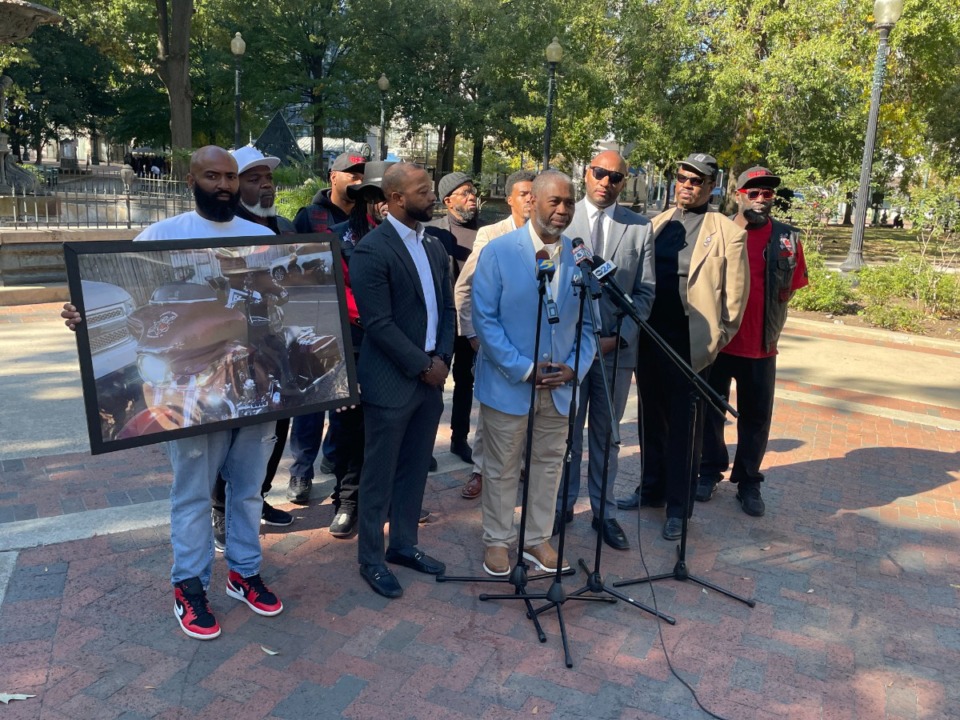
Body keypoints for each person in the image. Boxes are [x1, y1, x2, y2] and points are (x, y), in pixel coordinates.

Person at [62, 146, 283, 640]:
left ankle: (244, 572)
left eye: (230, 176)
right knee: (191, 492)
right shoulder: (161, 235)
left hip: (247, 370)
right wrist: (78, 316)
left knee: (248, 489)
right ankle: (189, 584)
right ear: (191, 179)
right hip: (188, 381)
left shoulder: (262, 236)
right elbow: (124, 293)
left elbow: (273, 297)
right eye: (212, 175)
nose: (223, 185)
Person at [615, 153, 749, 542]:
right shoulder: (654, 225)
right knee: (650, 419)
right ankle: (651, 488)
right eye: (682, 179)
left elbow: (735, 302)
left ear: (711, 187)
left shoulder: (727, 232)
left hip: (692, 345)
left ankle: (678, 507)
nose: (686, 186)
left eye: (696, 181)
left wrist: (713, 343)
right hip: (650, 338)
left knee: (685, 428)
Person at [472, 170, 596, 577]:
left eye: (568, 203)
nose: (562, 211)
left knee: (548, 464)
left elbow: (590, 326)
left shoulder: (580, 258)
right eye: (554, 202)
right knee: (502, 466)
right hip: (511, 385)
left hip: (559, 389)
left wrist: (574, 368)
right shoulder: (499, 252)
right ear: (533, 202)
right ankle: (497, 539)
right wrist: (524, 369)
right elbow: (485, 320)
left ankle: (536, 538)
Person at [348, 163, 455, 599]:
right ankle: (371, 558)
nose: (432, 197)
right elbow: (378, 323)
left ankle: (404, 545)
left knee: (414, 471)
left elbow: (447, 309)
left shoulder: (432, 245)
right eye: (423, 190)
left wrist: (443, 358)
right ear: (395, 199)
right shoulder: (372, 249)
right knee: (379, 475)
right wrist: (422, 364)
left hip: (430, 381)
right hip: (392, 383)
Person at [553, 151, 655, 551]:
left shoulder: (640, 228)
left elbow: (646, 293)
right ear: (586, 172)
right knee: (565, 432)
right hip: (566, 351)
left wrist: (621, 337)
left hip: (615, 350)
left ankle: (604, 512)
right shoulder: (562, 218)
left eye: (615, 177)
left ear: (623, 182)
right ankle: (561, 505)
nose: (606, 181)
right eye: (599, 172)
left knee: (607, 436)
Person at [696, 167, 808, 516]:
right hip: (717, 342)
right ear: (738, 195)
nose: (761, 199)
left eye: (768, 194)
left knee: (756, 419)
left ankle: (748, 481)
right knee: (709, 413)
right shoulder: (716, 231)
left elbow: (791, 287)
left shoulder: (787, 239)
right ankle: (710, 470)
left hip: (761, 346)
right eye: (754, 192)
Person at [209, 145, 298, 552]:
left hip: (273, 347)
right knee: (227, 428)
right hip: (228, 351)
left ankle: (257, 496)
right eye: (254, 178)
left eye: (269, 178)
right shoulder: (217, 230)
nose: (265, 185)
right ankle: (220, 509)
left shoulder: (277, 229)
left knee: (275, 428)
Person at [287, 152, 365, 503]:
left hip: (357, 326)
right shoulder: (309, 216)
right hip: (317, 323)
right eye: (351, 173)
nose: (358, 179)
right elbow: (294, 270)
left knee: (345, 401)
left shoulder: (368, 217)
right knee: (311, 401)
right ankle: (301, 470)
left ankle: (332, 459)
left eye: (362, 173)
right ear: (333, 176)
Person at [322, 160, 395, 538]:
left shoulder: (410, 239)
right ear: (365, 197)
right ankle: (347, 500)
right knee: (349, 426)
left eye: (390, 197)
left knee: (389, 426)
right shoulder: (338, 238)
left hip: (395, 347)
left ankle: (386, 496)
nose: (384, 204)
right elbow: (333, 296)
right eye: (377, 196)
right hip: (351, 344)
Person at [453, 169, 536, 500]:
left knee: (532, 408)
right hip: (496, 341)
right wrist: (473, 335)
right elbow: (465, 287)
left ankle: (523, 465)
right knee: (492, 411)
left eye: (535, 192)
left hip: (534, 343)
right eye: (524, 193)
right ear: (510, 199)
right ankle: (481, 470)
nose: (531, 198)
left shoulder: (549, 236)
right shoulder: (491, 234)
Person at [427, 172, 479, 465]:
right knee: (434, 384)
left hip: (472, 323)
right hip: (441, 322)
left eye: (473, 193)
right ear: (448, 201)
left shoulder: (486, 232)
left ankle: (460, 439)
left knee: (465, 383)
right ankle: (426, 445)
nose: (472, 198)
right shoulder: (432, 232)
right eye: (464, 193)